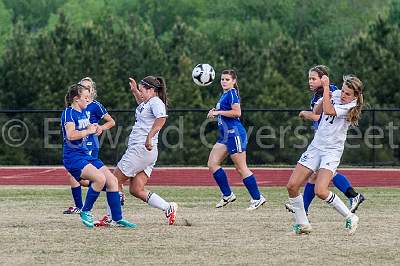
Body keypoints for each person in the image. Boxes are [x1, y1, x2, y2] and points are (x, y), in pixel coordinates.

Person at [286, 74, 364, 235]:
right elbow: (318, 111)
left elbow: (329, 111)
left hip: (331, 152)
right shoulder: (336, 95)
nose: (343, 95)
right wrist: (324, 94)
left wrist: (327, 88)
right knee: (292, 186)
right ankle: (302, 224)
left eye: (348, 94)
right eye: (342, 91)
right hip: (316, 146)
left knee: (320, 191)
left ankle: (350, 216)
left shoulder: (350, 106)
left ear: (355, 96)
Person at [95, 75, 177, 226]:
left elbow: (161, 118)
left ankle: (113, 217)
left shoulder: (156, 102)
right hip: (146, 152)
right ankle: (168, 207)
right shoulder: (149, 102)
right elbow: (144, 107)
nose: (140, 93)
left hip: (141, 149)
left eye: (141, 90)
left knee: (113, 181)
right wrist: (134, 91)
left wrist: (149, 137)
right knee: (136, 189)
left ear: (151, 90)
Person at [61, 83, 135, 228]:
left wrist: (94, 128)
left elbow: (87, 130)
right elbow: (70, 135)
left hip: (86, 155)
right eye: (86, 98)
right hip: (73, 157)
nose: (88, 101)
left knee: (112, 181)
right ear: (76, 99)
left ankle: (117, 219)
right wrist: (87, 131)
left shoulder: (82, 112)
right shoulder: (68, 113)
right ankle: (85, 211)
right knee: (100, 179)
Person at [207, 69, 265, 210]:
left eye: (227, 79)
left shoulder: (232, 93)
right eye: (222, 79)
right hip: (225, 136)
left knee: (241, 168)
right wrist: (214, 112)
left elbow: (237, 112)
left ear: (234, 81)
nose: (224, 82)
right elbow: (224, 112)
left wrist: (218, 112)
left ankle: (257, 198)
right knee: (212, 164)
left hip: (235, 134)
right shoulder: (225, 94)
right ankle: (227, 195)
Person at [63, 77, 117, 215]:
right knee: (89, 179)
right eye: (84, 89)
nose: (87, 97)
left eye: (88, 89)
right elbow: (71, 134)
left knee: (99, 179)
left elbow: (110, 122)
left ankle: (115, 212)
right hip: (76, 154)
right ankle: (83, 208)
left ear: (92, 90)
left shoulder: (91, 106)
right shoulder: (72, 112)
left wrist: (99, 128)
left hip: (89, 149)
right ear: (77, 96)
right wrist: (89, 129)